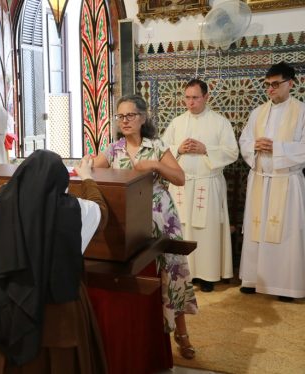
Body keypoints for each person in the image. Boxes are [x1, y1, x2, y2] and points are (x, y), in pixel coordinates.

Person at [0, 150, 108, 372]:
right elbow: (102, 212)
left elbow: (5, 190)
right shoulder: (76, 210)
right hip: (54, 312)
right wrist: (87, 177)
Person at [93, 94, 198, 359]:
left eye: (130, 115)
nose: (125, 121)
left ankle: (182, 332)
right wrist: (82, 164)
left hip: (162, 218)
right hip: (132, 223)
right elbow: (90, 169)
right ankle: (148, 335)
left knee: (172, 273)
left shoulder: (156, 145)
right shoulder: (113, 149)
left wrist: (155, 164)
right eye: (121, 116)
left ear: (142, 118)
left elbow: (180, 178)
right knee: (143, 277)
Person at [162, 79, 239, 292]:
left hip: (208, 184)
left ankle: (208, 275)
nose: (190, 102)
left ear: (206, 96)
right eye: (187, 97)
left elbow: (232, 152)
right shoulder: (177, 122)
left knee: (207, 231)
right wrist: (179, 148)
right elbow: (162, 149)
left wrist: (206, 149)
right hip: (182, 186)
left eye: (195, 97)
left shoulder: (220, 122)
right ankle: (186, 274)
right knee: (183, 230)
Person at [239, 61, 305, 303]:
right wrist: (253, 146)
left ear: (291, 83)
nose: (270, 89)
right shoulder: (258, 112)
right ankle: (253, 279)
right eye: (267, 85)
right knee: (257, 231)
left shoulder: (302, 112)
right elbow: (244, 140)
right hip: (260, 180)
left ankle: (286, 286)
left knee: (286, 233)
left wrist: (278, 148)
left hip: (286, 182)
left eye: (275, 84)